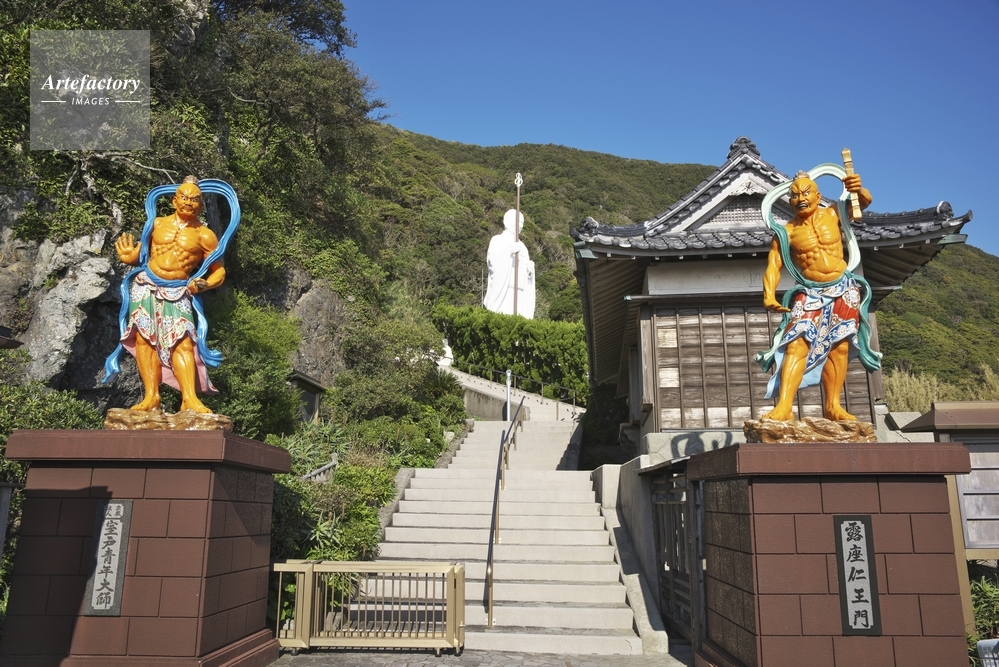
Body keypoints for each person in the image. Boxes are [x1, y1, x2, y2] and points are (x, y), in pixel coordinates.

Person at [760, 170, 873, 421]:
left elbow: (862, 203)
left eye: (805, 193)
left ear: (817, 196)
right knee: (796, 343)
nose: (800, 198)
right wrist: (769, 294)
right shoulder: (786, 232)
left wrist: (857, 188)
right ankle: (784, 406)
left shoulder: (833, 213)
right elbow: (774, 263)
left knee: (839, 347)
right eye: (794, 195)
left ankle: (833, 405)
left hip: (843, 287)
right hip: (810, 291)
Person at [113, 176, 225, 413]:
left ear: (201, 206)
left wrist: (204, 284)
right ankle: (151, 397)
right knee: (144, 339)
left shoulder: (205, 235)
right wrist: (128, 257)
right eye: (184, 197)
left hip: (178, 290)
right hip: (146, 286)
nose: (188, 202)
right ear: (174, 200)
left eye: (194, 199)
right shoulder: (157, 224)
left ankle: (189, 398)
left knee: (183, 341)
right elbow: (141, 255)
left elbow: (220, 271)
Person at [483, 209, 535, 318]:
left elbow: (526, 273)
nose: (520, 225)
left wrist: (530, 271)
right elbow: (492, 262)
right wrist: (508, 252)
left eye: (522, 222)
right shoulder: (498, 240)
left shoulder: (523, 247)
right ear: (506, 221)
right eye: (518, 221)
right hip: (505, 290)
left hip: (520, 293)